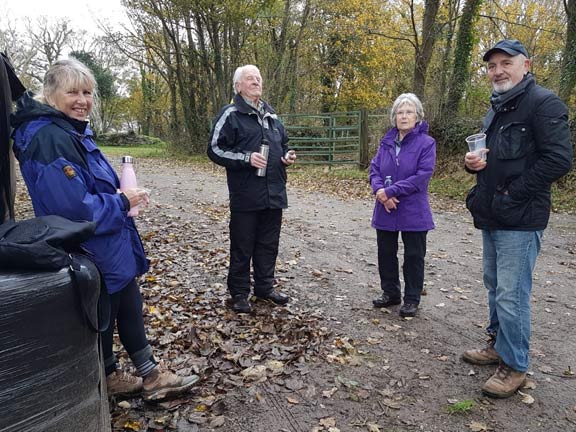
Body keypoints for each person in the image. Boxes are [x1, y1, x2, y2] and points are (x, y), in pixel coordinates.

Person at [11, 58, 199, 401]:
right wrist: (122, 203)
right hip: (89, 243)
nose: (82, 100)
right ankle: (137, 376)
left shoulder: (69, 131)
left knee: (120, 302)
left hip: (106, 240)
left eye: (87, 92)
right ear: (51, 94)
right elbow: (73, 208)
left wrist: (120, 196)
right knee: (109, 308)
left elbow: (85, 190)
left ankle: (127, 374)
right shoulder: (50, 138)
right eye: (73, 92)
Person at [462, 39, 572, 398]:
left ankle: (515, 365)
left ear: (526, 65)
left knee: (512, 293)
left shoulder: (544, 103)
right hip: (491, 213)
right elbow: (492, 158)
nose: (498, 71)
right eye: (492, 66)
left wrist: (514, 193)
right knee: (495, 285)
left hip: (520, 217)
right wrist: (471, 164)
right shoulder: (496, 109)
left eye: (505, 63)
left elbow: (559, 160)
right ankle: (498, 345)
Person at [207, 64, 296, 314]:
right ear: (238, 86)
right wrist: (247, 158)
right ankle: (239, 293)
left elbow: (285, 143)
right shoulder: (231, 114)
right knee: (242, 245)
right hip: (246, 195)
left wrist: (287, 156)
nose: (256, 81)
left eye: (258, 78)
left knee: (269, 244)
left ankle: (264, 288)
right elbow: (214, 149)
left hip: (274, 193)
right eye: (250, 78)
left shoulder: (272, 115)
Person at [369, 93, 436, 318]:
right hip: (385, 206)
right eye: (400, 112)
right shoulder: (386, 142)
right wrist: (380, 192)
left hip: (413, 208)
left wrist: (391, 191)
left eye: (409, 112)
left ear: (417, 116)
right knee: (385, 252)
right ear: (394, 116)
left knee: (414, 255)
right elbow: (374, 169)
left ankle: (411, 299)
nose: (404, 116)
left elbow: (422, 176)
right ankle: (390, 293)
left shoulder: (426, 143)